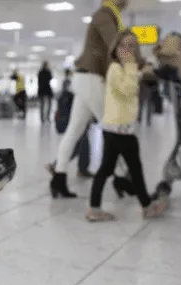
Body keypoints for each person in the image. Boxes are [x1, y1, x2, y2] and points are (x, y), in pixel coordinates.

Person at [49, 0, 130, 199]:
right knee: (114, 127)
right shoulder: (104, 15)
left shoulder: (111, 17)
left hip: (87, 78)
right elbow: (115, 45)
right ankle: (122, 179)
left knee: (74, 132)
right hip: (91, 79)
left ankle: (58, 179)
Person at [86, 30, 169, 222]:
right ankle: (144, 206)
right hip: (118, 131)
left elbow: (130, 82)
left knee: (115, 169)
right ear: (115, 48)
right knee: (122, 169)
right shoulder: (115, 68)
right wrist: (133, 67)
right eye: (123, 45)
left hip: (121, 129)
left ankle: (97, 208)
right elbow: (127, 90)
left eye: (132, 46)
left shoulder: (124, 69)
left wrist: (140, 72)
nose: (127, 50)